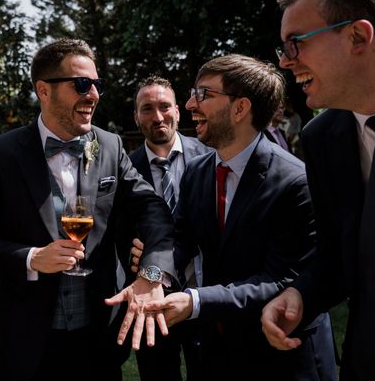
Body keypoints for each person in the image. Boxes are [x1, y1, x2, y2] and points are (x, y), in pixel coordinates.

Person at [0, 38, 176, 380]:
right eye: (81, 84)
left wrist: (152, 272)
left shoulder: (109, 145)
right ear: (44, 91)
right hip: (28, 339)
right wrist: (32, 257)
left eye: (96, 84)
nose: (93, 94)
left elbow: (150, 207)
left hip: (98, 338)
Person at [141, 54, 337, 380]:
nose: (190, 104)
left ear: (240, 108)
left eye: (204, 94)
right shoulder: (198, 172)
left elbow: (279, 280)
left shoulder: (295, 182)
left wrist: (194, 302)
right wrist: (151, 276)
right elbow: (179, 237)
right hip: (217, 354)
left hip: (282, 357)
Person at [261, 0, 375, 379]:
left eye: (296, 44)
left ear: (357, 36)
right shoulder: (322, 139)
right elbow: (337, 257)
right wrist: (300, 294)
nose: (286, 63)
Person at [129, 75, 209, 381]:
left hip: (205, 291)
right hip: (151, 300)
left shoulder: (210, 156)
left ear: (178, 110)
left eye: (164, 106)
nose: (157, 116)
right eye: (147, 108)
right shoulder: (125, 167)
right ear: (136, 116)